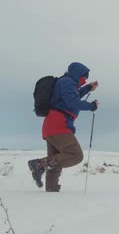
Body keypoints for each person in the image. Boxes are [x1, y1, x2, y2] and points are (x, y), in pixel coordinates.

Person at [28, 62, 99, 192]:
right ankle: (39, 164)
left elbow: (74, 95)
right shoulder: (67, 82)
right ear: (79, 73)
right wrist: (91, 106)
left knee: (55, 161)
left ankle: (52, 190)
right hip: (58, 125)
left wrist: (88, 88)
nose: (85, 80)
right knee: (76, 155)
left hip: (52, 125)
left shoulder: (67, 83)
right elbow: (73, 102)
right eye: (84, 77)